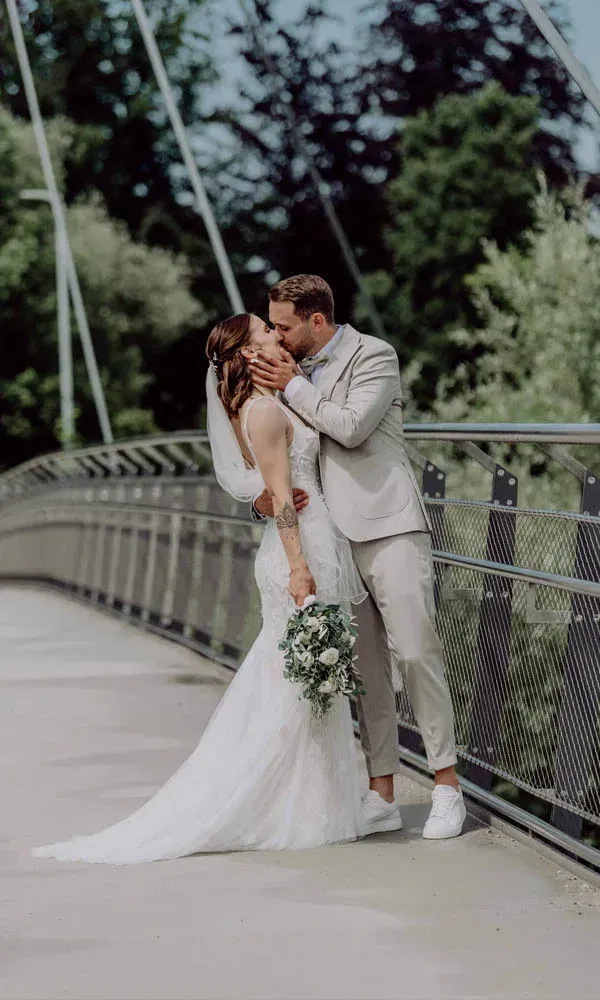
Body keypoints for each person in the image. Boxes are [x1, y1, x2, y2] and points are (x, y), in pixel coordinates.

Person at [32, 313, 367, 865]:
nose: (276, 336)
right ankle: (275, 806)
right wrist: (299, 568)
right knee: (296, 681)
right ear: (245, 351)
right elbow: (282, 499)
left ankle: (316, 804)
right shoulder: (262, 411)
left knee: (299, 678)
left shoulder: (265, 402)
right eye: (265, 332)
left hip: (311, 543)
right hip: (299, 551)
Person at [250, 274, 466, 841]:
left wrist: (295, 387)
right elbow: (278, 450)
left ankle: (447, 787)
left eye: (284, 325)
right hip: (329, 539)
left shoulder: (374, 354)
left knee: (415, 651)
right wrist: (265, 498)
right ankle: (382, 793)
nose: (276, 334)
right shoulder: (284, 373)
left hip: (388, 524)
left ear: (316, 320)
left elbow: (349, 427)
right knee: (365, 671)